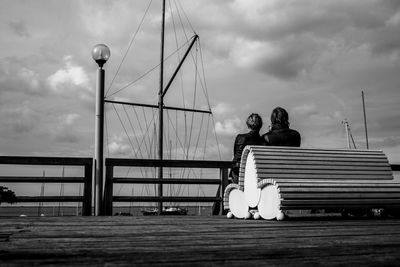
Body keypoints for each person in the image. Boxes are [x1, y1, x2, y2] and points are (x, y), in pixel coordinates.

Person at [230, 113, 265, 184]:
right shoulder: (263, 140)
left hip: (238, 171)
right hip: (254, 173)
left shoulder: (240, 137)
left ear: (248, 125)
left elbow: (235, 154)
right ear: (260, 126)